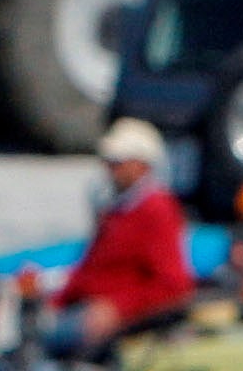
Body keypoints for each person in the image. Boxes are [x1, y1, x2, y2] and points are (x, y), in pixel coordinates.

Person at [47, 120, 192, 357]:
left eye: (118, 163)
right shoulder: (116, 211)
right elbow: (89, 271)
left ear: (141, 165)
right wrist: (54, 302)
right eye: (109, 162)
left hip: (115, 324)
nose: (110, 169)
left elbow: (173, 286)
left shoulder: (156, 210)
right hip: (84, 309)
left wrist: (117, 308)